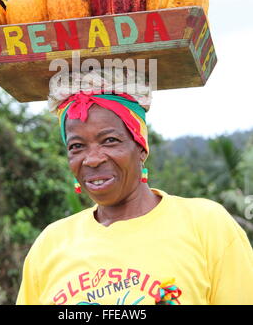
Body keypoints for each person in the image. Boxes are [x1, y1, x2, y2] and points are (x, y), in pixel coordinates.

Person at [16, 71, 253, 305]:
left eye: (110, 140)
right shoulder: (51, 243)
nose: (93, 159)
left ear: (140, 147)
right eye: (77, 146)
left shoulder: (206, 225)